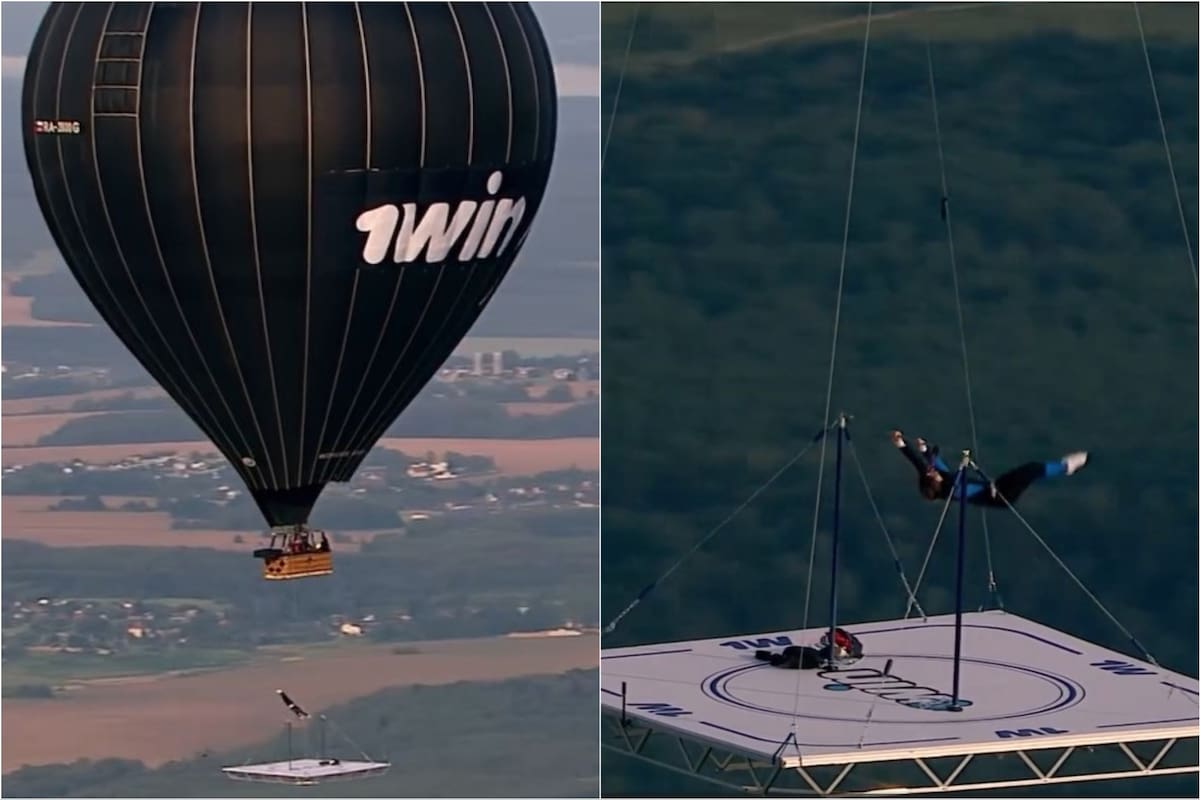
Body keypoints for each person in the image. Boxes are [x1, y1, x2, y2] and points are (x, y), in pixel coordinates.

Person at [891, 430, 1087, 507]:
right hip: (1001, 496)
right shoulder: (950, 488)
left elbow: (920, 462)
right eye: (932, 474)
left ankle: (1065, 466)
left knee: (1031, 468)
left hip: (995, 486)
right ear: (935, 483)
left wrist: (904, 444)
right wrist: (932, 456)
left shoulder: (937, 477)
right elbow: (946, 471)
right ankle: (1065, 467)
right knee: (1030, 471)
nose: (931, 470)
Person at [755, 627, 863, 670]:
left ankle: (838, 654)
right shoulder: (791, 655)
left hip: (823, 656)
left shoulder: (789, 654)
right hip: (819, 657)